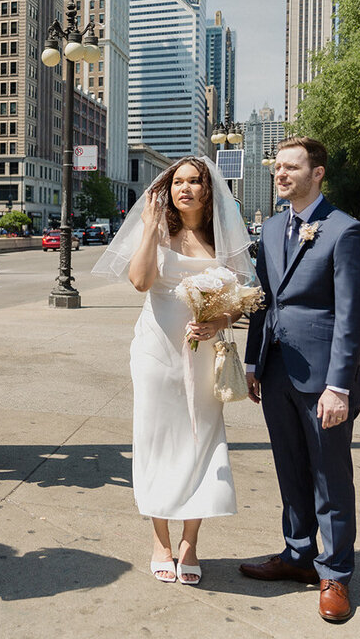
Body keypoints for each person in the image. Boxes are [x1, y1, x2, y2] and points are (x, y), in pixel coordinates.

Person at [93, 157, 252, 585]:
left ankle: (191, 542)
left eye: (193, 181)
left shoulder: (223, 238)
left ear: (206, 189)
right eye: (178, 182)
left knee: (202, 441)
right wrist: (148, 226)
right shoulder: (159, 230)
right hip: (155, 352)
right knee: (156, 440)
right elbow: (141, 282)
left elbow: (241, 297)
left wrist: (219, 321)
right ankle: (161, 540)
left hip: (204, 356)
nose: (185, 188)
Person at [240, 137, 360, 623]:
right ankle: (297, 555)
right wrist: (254, 362)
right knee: (289, 468)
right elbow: (263, 301)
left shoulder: (346, 230)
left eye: (291, 167)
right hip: (276, 372)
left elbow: (351, 315)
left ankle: (335, 572)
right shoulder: (272, 228)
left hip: (325, 380)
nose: (281, 174)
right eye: (277, 167)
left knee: (329, 475)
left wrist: (338, 385)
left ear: (318, 173)